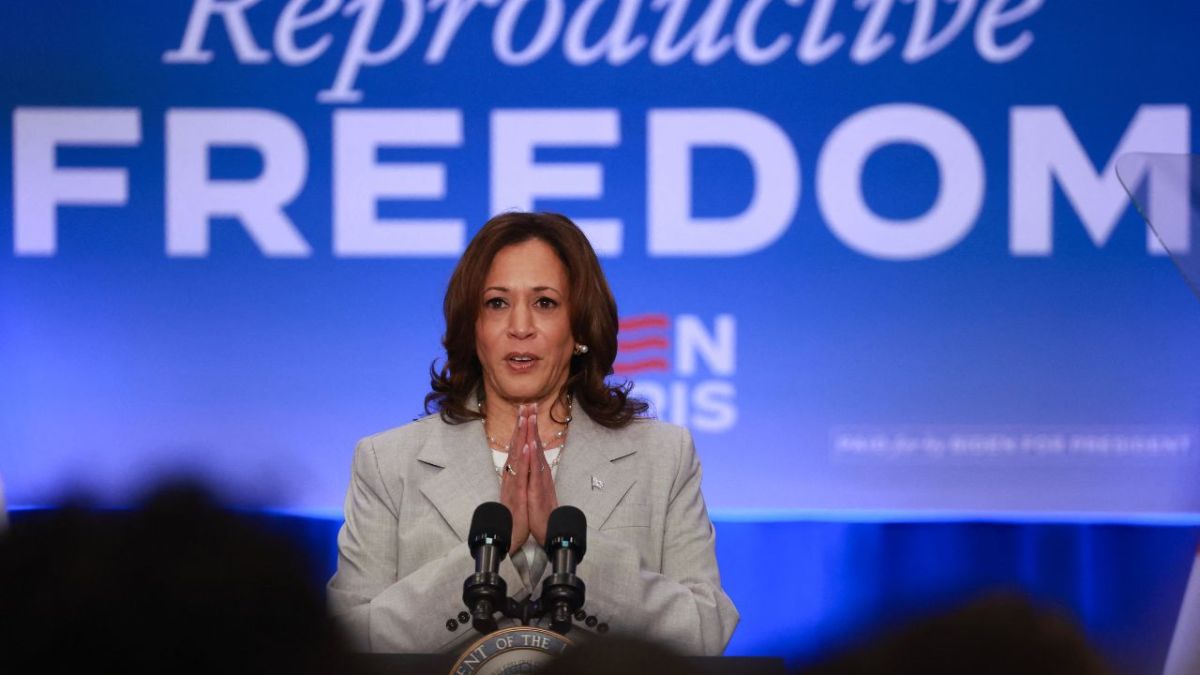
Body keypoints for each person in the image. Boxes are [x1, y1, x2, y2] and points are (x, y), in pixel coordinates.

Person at [327, 212, 738, 655]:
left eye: (545, 303)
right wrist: (492, 561)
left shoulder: (663, 456)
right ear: (474, 327)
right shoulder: (389, 463)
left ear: (579, 328)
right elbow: (351, 640)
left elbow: (703, 631)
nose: (520, 327)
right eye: (497, 303)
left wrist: (567, 549)